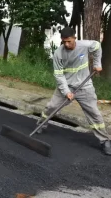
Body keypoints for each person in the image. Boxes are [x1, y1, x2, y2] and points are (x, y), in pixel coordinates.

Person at [36, 26, 111, 155]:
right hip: (67, 86)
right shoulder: (58, 54)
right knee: (51, 106)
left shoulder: (85, 45)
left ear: (75, 38)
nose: (66, 44)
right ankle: (40, 125)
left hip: (85, 86)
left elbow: (97, 46)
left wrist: (98, 64)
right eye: (64, 41)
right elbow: (59, 75)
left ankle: (105, 140)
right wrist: (66, 92)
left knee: (94, 113)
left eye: (69, 41)